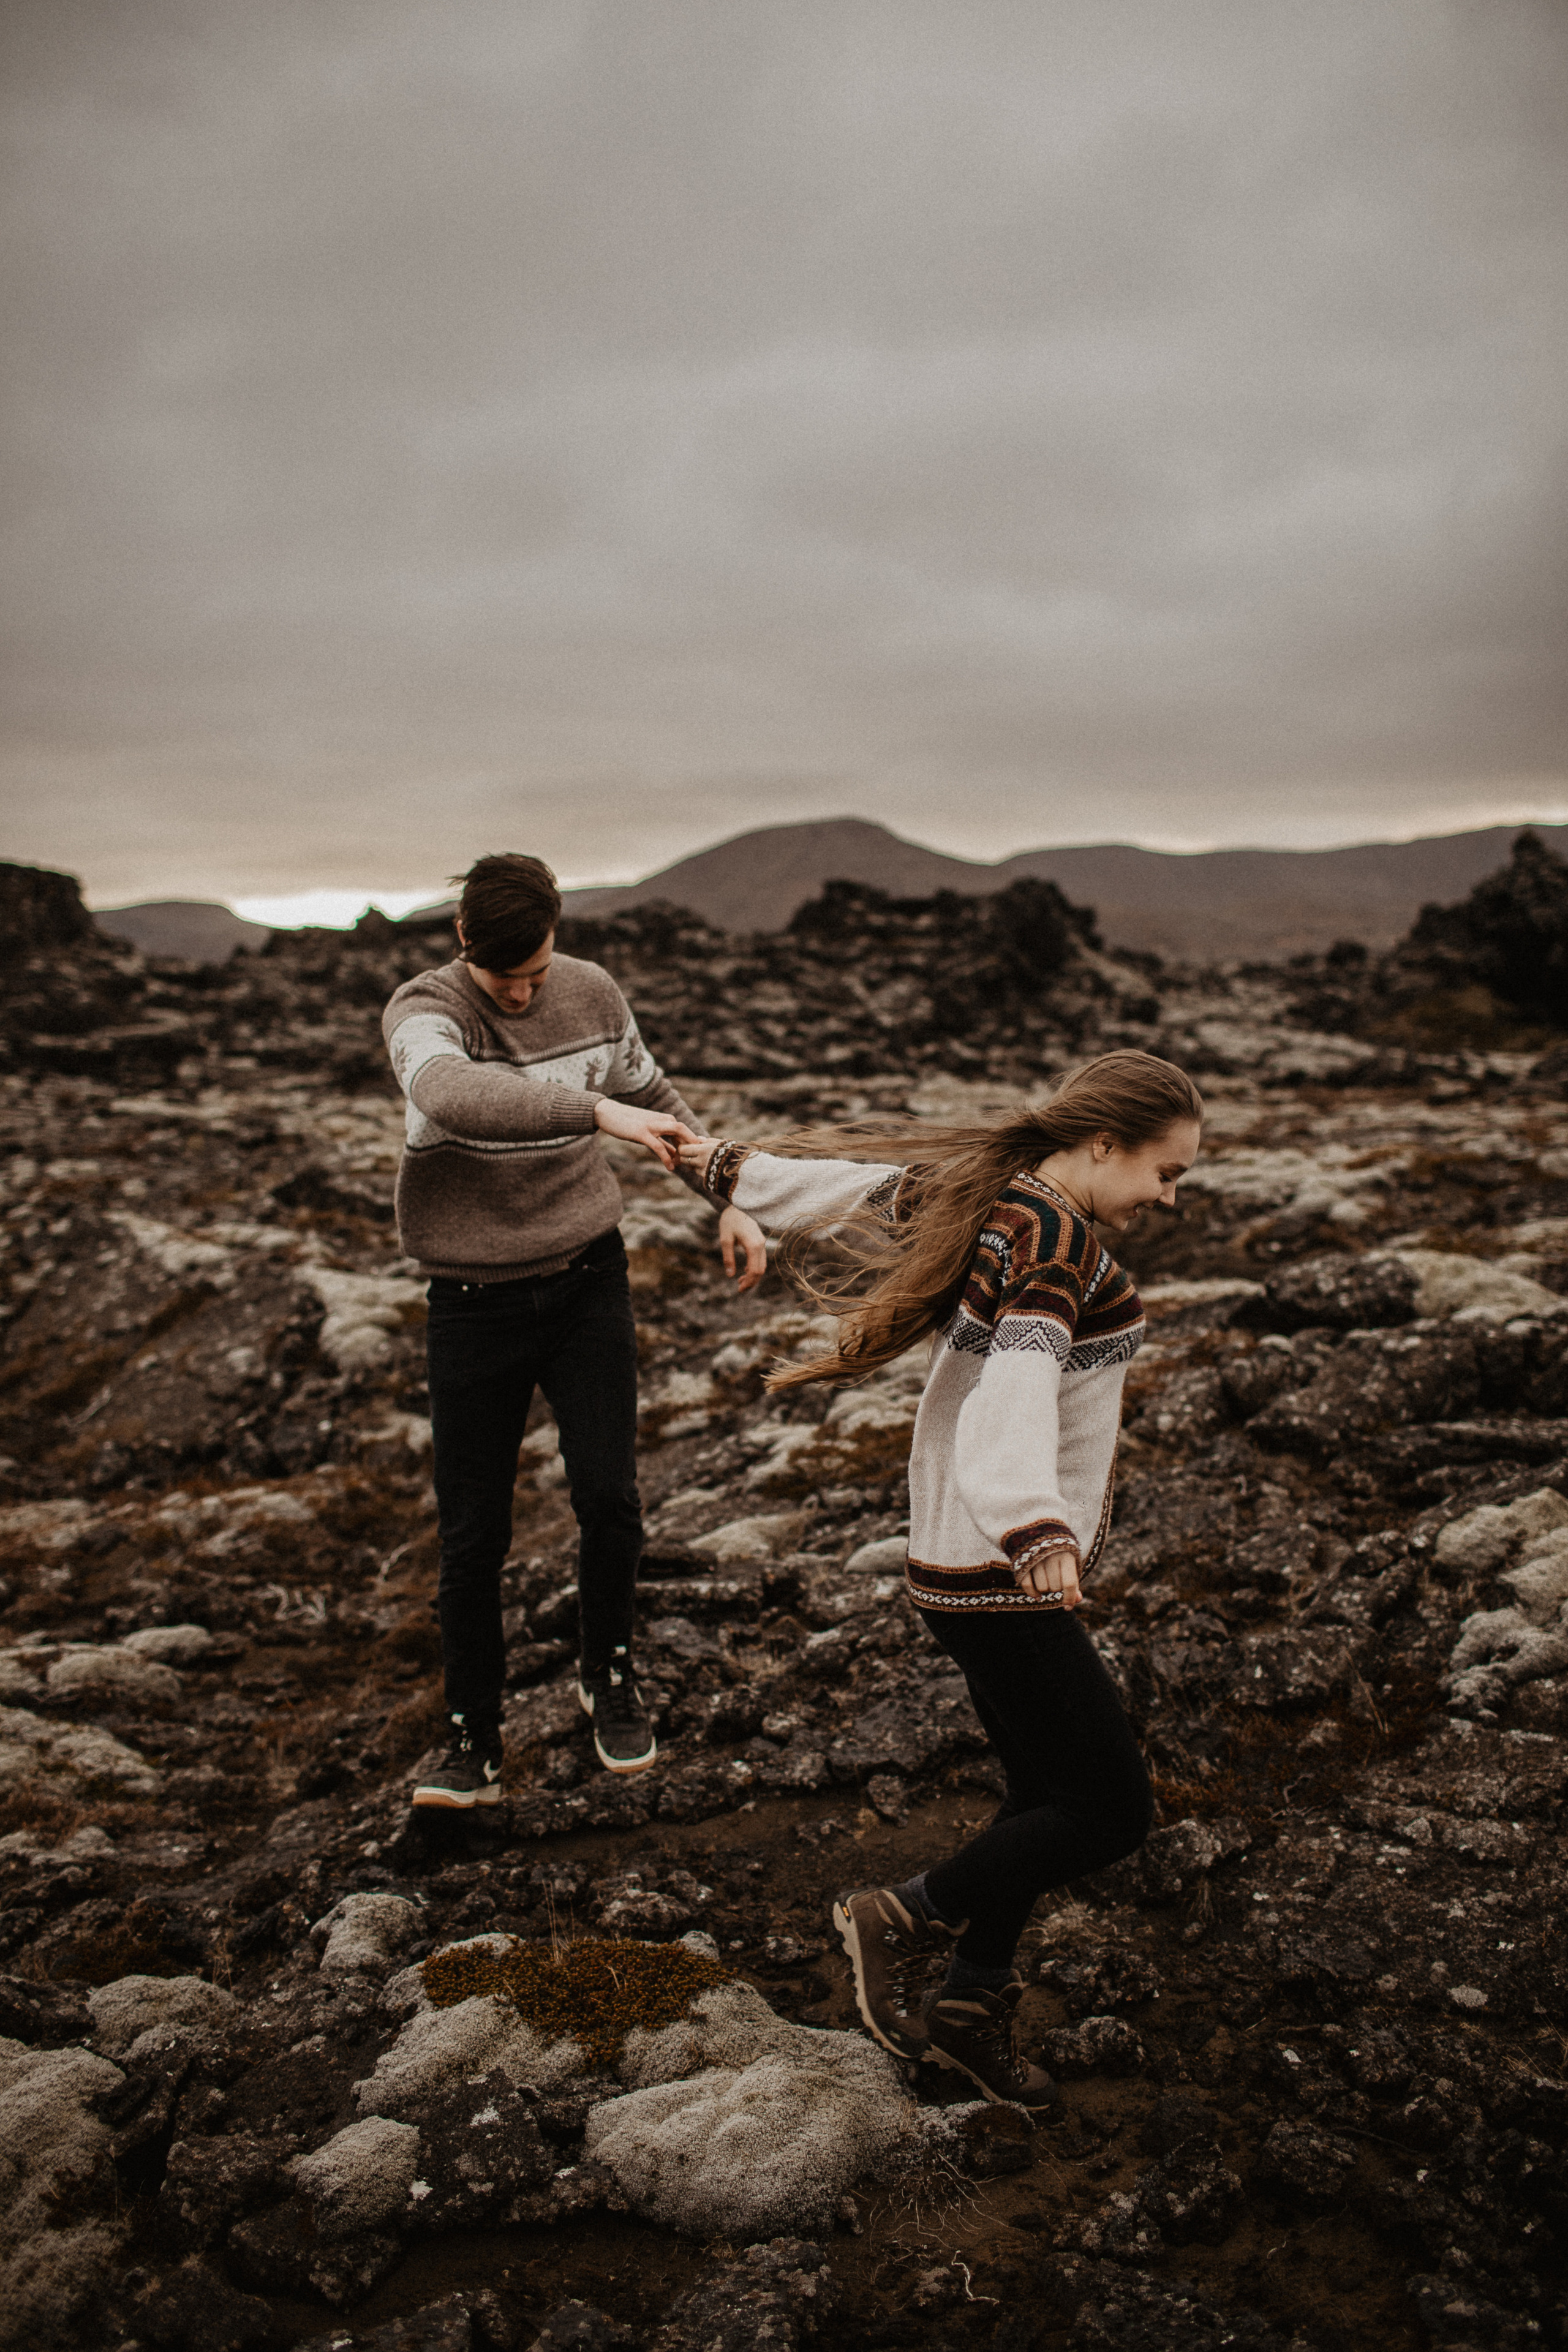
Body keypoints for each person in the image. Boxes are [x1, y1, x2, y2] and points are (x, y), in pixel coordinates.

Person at [677, 1050, 1202, 2108]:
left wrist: (725, 1167)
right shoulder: (1054, 1236)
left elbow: (849, 1190)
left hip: (957, 1560)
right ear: (1105, 1143)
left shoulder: (1003, 1198)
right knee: (1110, 1811)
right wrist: (1034, 1524)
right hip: (999, 1567)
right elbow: (1016, 1378)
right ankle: (903, 1915)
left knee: (1040, 1796)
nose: (1169, 1197)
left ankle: (967, 2008)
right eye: (1166, 1170)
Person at [382, 852, 766, 1807]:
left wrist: (727, 1196)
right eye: (502, 977)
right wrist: (593, 1112)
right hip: (471, 1303)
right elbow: (453, 1096)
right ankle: (472, 1738)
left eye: (536, 974)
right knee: (475, 1534)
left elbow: (657, 1098)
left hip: (589, 1282)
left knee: (611, 1498)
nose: (520, 994)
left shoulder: (591, 992)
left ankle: (611, 1678)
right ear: (462, 939)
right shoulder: (422, 1011)